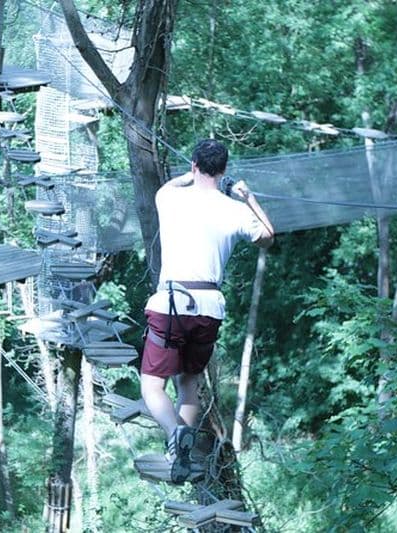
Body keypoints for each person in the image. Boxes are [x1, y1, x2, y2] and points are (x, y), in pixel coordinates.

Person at [140, 139, 274, 483]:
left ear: (195, 165)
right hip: (209, 308)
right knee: (189, 384)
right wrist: (247, 196)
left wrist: (191, 173)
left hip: (170, 303)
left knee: (152, 386)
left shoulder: (169, 197)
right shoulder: (236, 210)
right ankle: (179, 453)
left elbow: (175, 182)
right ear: (225, 170)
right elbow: (268, 237)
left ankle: (174, 433)